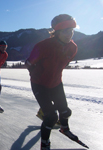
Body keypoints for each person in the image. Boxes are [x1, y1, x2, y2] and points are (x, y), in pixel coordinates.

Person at [26, 14, 78, 150]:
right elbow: (28, 63)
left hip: (56, 83)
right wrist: (36, 73)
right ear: (57, 32)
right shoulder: (43, 46)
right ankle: (45, 144)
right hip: (39, 83)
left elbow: (62, 64)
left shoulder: (73, 48)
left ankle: (64, 128)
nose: (69, 34)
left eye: (71, 31)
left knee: (65, 112)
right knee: (51, 117)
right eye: (66, 31)